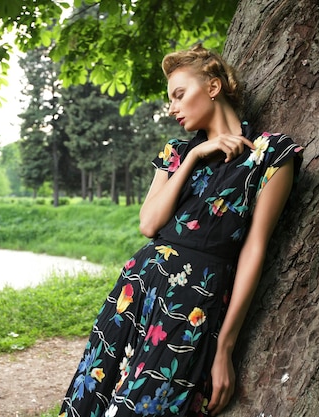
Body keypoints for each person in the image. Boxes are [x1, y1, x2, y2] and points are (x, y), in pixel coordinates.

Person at [59, 44, 304, 417]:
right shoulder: (176, 152)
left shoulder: (270, 155)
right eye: (170, 99)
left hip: (193, 302)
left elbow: (255, 250)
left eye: (179, 94)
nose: (172, 107)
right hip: (136, 289)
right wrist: (192, 158)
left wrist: (224, 348)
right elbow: (148, 224)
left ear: (213, 87)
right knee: (91, 399)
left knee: (145, 409)